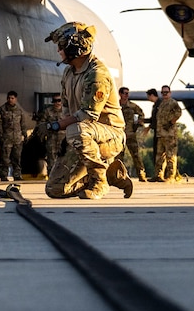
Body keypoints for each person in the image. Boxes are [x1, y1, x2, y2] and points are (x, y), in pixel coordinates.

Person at [43, 23, 134, 200]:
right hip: (83, 136)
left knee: (77, 130)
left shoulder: (97, 74)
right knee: (54, 189)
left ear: (75, 48)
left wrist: (56, 126)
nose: (58, 51)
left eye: (61, 47)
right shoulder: (69, 73)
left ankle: (99, 181)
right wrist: (66, 137)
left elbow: (88, 115)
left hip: (110, 135)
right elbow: (68, 111)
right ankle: (111, 174)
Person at [151, 84, 186, 183]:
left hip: (169, 134)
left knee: (170, 156)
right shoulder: (161, 104)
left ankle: (171, 176)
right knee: (159, 156)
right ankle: (158, 175)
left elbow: (178, 113)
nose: (164, 94)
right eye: (162, 93)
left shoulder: (173, 103)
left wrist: (171, 122)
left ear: (170, 93)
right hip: (160, 134)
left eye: (166, 92)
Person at [0, 90, 27, 181]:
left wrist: (24, 135)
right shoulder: (2, 110)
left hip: (17, 139)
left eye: (12, 98)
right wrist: (0, 136)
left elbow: (23, 124)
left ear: (16, 99)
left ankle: (17, 175)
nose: (10, 100)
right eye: (9, 98)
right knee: (5, 159)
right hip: (6, 139)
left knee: (16, 158)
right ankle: (3, 175)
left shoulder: (19, 110)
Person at [118, 86, 147, 181]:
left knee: (136, 155)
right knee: (118, 156)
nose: (127, 95)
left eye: (127, 93)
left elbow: (141, 114)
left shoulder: (132, 106)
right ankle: (118, 175)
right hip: (119, 135)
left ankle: (141, 174)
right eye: (125, 93)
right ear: (120, 94)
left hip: (130, 134)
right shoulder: (116, 106)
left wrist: (138, 123)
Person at [33, 96, 67, 171]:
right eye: (55, 101)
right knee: (51, 158)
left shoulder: (66, 111)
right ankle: (51, 176)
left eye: (59, 101)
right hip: (52, 138)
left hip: (63, 139)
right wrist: (48, 126)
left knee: (64, 158)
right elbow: (41, 124)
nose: (57, 103)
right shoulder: (47, 111)